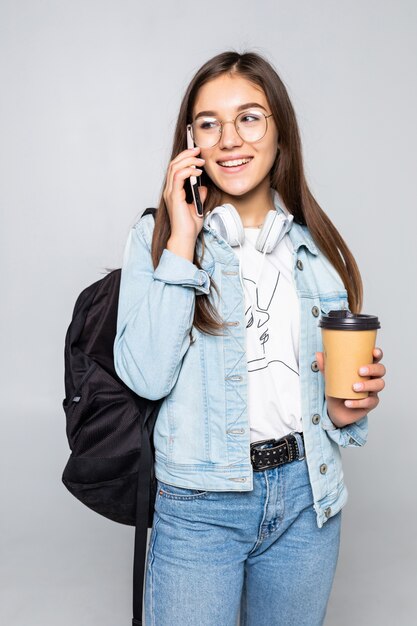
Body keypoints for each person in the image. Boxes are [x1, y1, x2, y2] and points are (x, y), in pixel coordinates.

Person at [114, 50, 386, 626]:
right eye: (209, 123)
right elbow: (145, 374)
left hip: (306, 501)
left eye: (250, 117)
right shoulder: (155, 239)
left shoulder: (311, 252)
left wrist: (346, 406)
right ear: (190, 142)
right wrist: (183, 238)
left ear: (279, 132)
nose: (229, 138)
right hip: (200, 507)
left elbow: (327, 407)